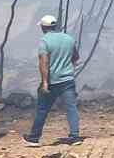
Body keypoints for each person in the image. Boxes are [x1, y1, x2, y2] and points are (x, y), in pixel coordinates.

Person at [24, 15, 81, 147]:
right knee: (71, 108)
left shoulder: (45, 41)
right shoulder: (69, 38)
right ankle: (75, 136)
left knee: (42, 109)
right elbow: (75, 57)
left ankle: (34, 138)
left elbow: (44, 62)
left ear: (43, 27)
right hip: (67, 79)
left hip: (52, 81)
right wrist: (67, 65)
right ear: (55, 26)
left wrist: (44, 82)